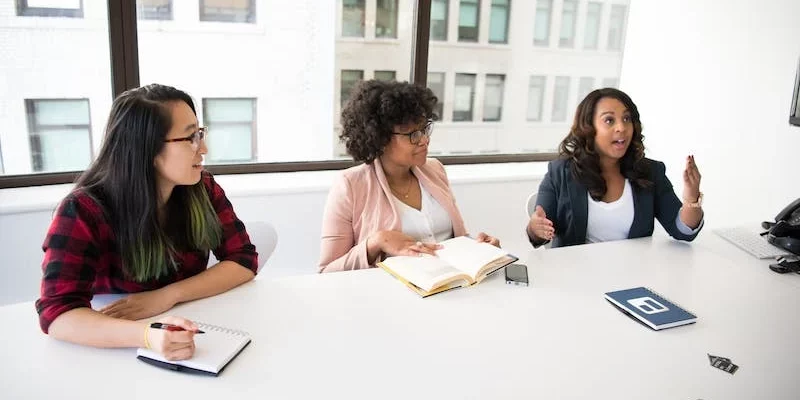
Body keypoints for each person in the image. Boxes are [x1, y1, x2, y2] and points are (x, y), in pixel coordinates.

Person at [35, 84, 259, 361]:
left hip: (194, 328)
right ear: (148, 149)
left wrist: (169, 295)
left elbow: (244, 260)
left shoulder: (203, 188)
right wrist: (146, 335)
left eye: (200, 133)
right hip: (110, 348)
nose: (203, 148)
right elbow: (58, 313)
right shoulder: (83, 210)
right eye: (190, 137)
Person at [319, 80, 500, 272]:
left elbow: (454, 242)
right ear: (380, 138)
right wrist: (375, 242)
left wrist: (480, 249)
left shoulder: (435, 170)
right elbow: (327, 271)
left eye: (424, 129)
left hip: (451, 287)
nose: (424, 140)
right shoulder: (350, 186)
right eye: (412, 134)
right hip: (392, 296)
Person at [526, 88, 704, 248]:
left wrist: (691, 197)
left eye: (627, 119)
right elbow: (538, 234)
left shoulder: (650, 171)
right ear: (589, 128)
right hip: (576, 276)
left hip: (632, 274)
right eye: (609, 120)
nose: (621, 127)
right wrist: (536, 228)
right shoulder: (560, 172)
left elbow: (682, 231)